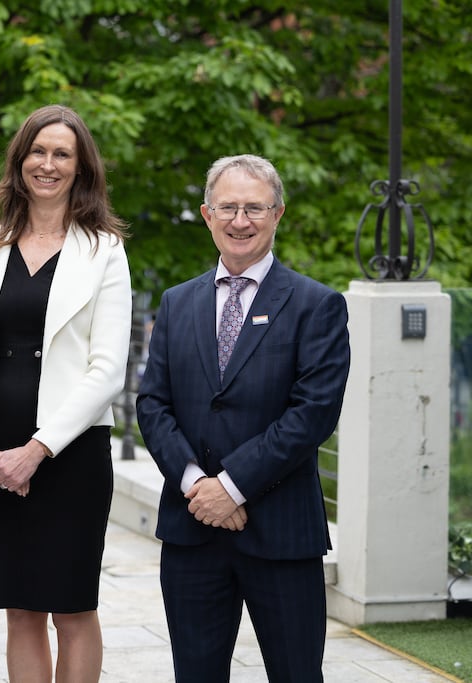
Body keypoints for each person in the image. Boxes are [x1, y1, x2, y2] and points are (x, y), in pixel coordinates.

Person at [135, 154, 350, 682]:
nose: (240, 220)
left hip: (281, 534)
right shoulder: (177, 302)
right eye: (228, 207)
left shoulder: (316, 305)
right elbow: (152, 404)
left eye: (254, 207)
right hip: (192, 533)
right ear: (207, 215)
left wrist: (230, 487)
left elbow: (312, 414)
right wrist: (197, 486)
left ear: (278, 214)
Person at [0, 104, 133, 682]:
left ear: (81, 168)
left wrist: (37, 450)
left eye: (62, 154)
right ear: (20, 159)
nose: (47, 164)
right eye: (37, 151)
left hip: (70, 455)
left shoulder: (105, 249)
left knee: (73, 608)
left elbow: (108, 370)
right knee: (20, 609)